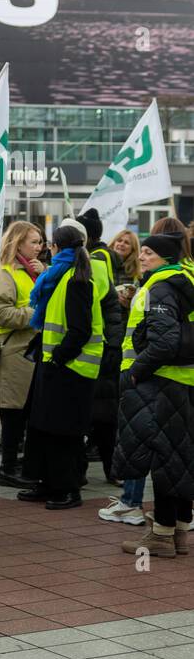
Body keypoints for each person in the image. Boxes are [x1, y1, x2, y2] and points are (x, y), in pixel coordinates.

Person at [112, 229, 194, 554]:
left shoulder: (159, 288)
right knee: (180, 459)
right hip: (183, 382)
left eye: (148, 252)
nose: (142, 257)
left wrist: (136, 371)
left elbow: (164, 341)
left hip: (160, 384)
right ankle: (180, 532)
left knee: (163, 460)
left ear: (165, 258)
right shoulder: (183, 283)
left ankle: (160, 534)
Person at [17, 223, 102, 511]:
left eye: (49, 245)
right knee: (43, 427)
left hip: (70, 369)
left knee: (63, 431)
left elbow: (79, 330)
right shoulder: (62, 276)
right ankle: (47, 482)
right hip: (56, 366)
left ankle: (67, 489)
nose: (45, 250)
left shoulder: (75, 280)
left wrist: (58, 358)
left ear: (57, 248)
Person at [0, 221, 43, 489]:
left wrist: (44, 275)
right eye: (34, 241)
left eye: (40, 241)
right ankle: (8, 468)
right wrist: (35, 316)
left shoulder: (33, 271)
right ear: (18, 242)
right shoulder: (5, 273)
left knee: (27, 411)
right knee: (12, 412)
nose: (39, 246)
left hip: (30, 351)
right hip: (12, 351)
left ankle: (19, 463)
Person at [79, 208, 126, 485]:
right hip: (107, 348)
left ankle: (88, 472)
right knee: (106, 418)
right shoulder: (103, 257)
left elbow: (99, 306)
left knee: (95, 417)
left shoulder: (95, 260)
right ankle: (112, 471)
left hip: (97, 350)